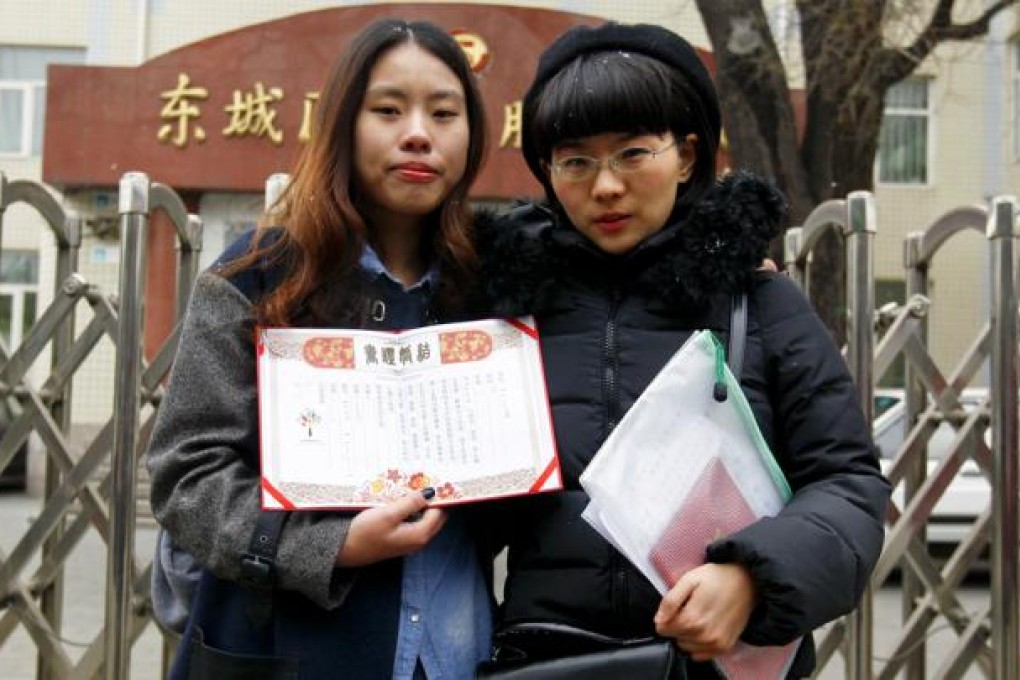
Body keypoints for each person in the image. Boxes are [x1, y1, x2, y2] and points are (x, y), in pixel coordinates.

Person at [477, 22, 891, 679]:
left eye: (634, 153)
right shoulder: (506, 319)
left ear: (688, 156)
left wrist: (755, 576)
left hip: (715, 664)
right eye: (576, 160)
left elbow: (849, 484)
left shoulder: (762, 306)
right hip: (546, 660)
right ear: (548, 172)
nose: (605, 186)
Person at [147, 18, 493, 679]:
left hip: (458, 651)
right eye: (388, 109)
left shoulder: (494, 284)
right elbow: (185, 477)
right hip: (286, 650)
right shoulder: (256, 276)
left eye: (444, 112)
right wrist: (328, 546)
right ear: (341, 123)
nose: (418, 131)